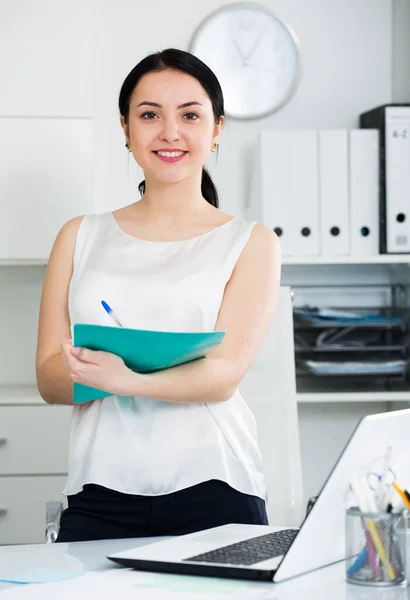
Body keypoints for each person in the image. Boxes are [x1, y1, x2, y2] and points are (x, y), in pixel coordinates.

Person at [35, 48, 281, 542]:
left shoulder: (251, 242)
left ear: (216, 130)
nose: (170, 132)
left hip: (215, 482)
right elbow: (48, 378)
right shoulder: (79, 236)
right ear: (126, 129)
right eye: (150, 115)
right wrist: (123, 373)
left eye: (190, 115)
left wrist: (123, 377)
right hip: (100, 487)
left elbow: (222, 377)